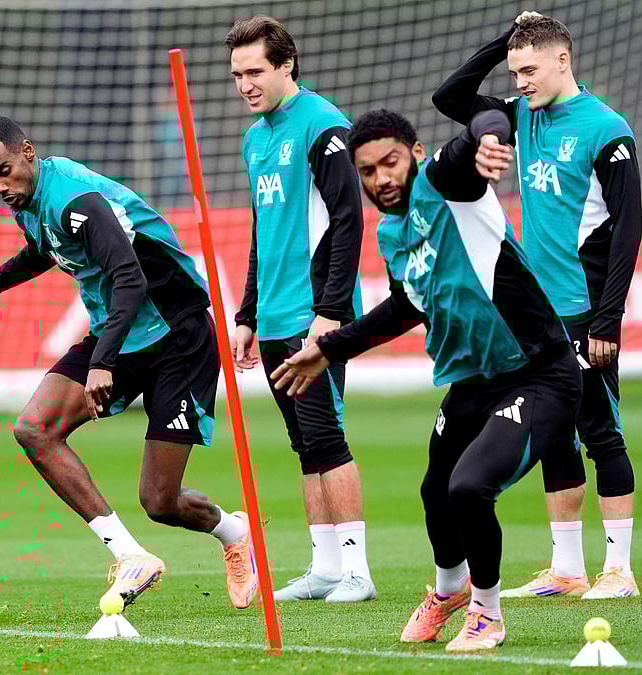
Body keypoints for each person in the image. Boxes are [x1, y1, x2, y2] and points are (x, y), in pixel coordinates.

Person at [271, 109, 582, 652]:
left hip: (541, 374)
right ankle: (449, 591)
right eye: (366, 172)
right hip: (475, 382)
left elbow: (480, 123)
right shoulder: (394, 233)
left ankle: (487, 612)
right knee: (435, 491)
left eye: (389, 162)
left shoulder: (447, 183)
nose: (380, 179)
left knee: (469, 488)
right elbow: (404, 308)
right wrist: (327, 348)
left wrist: (489, 138)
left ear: (413, 154)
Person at [0, 116, 258, 611]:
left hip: (178, 336)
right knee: (34, 428)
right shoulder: (31, 201)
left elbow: (129, 278)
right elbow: (41, 253)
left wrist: (102, 363)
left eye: (4, 171)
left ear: (28, 150)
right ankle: (130, 555)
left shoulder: (75, 198)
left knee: (160, 501)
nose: (0, 186)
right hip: (118, 333)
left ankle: (235, 533)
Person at [433, 11, 642, 600]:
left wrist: (608, 319)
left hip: (584, 308)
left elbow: (628, 232)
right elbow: (449, 96)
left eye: (529, 68)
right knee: (555, 435)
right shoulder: (521, 118)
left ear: (562, 60)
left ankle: (619, 570)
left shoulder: (607, 129)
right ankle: (568, 569)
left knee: (603, 433)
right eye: (514, 70)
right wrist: (505, 39)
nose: (520, 80)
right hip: (536, 315)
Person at [225, 15, 373, 603]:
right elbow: (265, 232)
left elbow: (348, 219)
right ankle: (326, 568)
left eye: (255, 71)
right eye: (237, 74)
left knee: (326, 436)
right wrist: (246, 314)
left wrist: (332, 311)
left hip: (319, 313)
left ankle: (357, 571)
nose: (245, 84)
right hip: (278, 314)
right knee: (304, 445)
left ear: (286, 64)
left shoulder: (323, 125)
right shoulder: (256, 137)